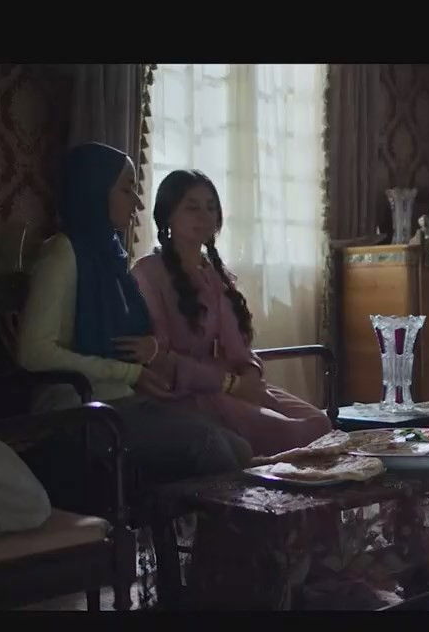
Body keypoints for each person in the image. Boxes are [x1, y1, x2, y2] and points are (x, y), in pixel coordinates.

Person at [16, 143, 249, 508]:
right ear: (96, 190)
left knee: (240, 448)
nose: (137, 202)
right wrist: (129, 372)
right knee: (209, 446)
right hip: (79, 409)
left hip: (120, 398)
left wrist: (144, 361)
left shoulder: (110, 256)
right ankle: (202, 542)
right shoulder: (62, 254)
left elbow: (133, 339)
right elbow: (34, 352)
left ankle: (184, 535)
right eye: (126, 189)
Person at [131, 169, 331, 458]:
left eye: (211, 207)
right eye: (192, 207)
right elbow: (159, 357)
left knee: (319, 424)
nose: (204, 216)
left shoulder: (214, 274)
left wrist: (250, 374)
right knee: (293, 433)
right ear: (168, 215)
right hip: (186, 393)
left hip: (230, 385)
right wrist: (229, 383)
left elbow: (239, 347)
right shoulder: (148, 272)